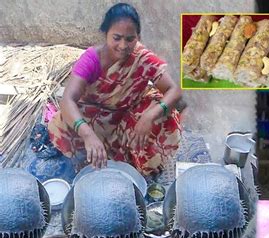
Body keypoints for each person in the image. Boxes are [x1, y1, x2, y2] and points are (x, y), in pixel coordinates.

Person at [48, 3, 182, 178]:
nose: (123, 45)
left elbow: (174, 91)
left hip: (129, 116)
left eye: (130, 39)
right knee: (61, 125)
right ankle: (94, 154)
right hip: (96, 119)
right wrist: (87, 134)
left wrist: (150, 116)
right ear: (105, 35)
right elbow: (67, 100)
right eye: (116, 38)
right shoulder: (91, 59)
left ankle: (134, 159)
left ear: (138, 37)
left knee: (165, 115)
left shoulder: (142, 57)